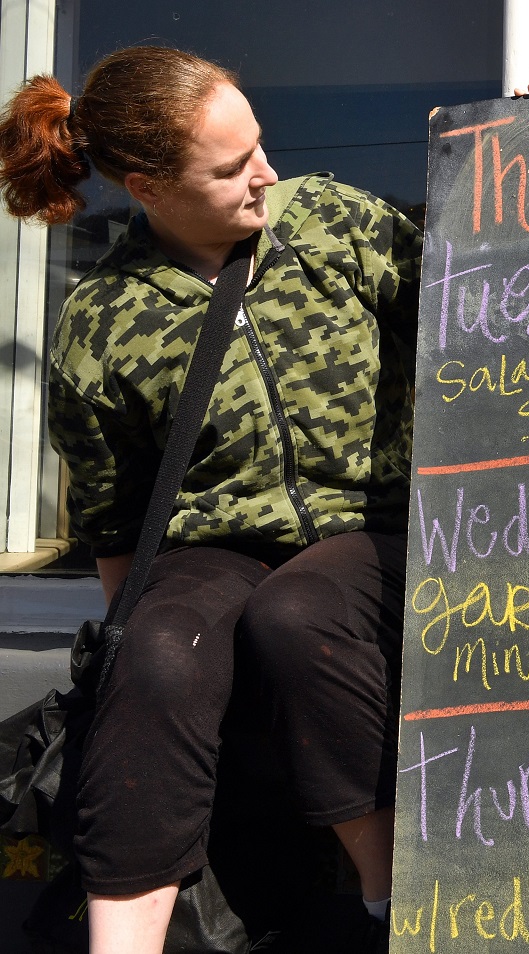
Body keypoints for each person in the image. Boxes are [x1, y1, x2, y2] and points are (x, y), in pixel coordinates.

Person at [0, 46, 422, 953]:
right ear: (148, 185)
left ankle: (399, 907)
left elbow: (488, 299)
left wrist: (520, 158)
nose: (268, 172)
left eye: (261, 145)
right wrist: (152, 668)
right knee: (155, 646)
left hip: (378, 529)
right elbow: (114, 518)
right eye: (234, 168)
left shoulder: (334, 226)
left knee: (299, 612)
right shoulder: (102, 321)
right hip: (217, 548)